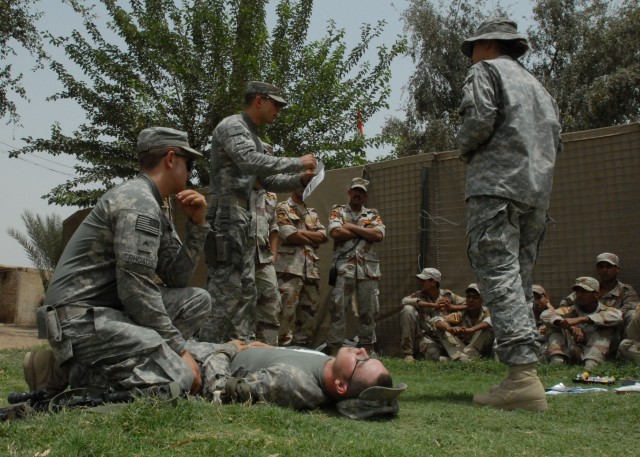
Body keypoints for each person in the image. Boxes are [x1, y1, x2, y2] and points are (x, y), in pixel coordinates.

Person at [41, 127, 211, 395]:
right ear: (170, 158)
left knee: (197, 300)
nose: (190, 172)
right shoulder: (138, 202)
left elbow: (176, 278)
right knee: (178, 377)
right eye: (188, 163)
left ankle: (111, 361)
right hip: (78, 320)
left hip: (107, 311)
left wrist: (197, 227)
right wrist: (180, 350)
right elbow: (136, 290)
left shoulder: (156, 205)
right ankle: (77, 370)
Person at [457, 17, 562, 411]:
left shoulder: (485, 71)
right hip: (536, 192)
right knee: (518, 278)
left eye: (472, 48)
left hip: (495, 187)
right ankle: (521, 373)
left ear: (486, 45)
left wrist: (464, 147)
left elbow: (478, 120)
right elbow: (556, 138)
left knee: (498, 274)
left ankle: (522, 377)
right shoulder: (538, 86)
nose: (470, 56)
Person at [200, 81, 318, 343]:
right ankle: (204, 352)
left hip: (241, 216)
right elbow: (249, 160)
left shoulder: (252, 135)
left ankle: (241, 348)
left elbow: (265, 182)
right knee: (225, 291)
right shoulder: (233, 126)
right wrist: (296, 162)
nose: (279, 110)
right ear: (258, 100)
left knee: (246, 290)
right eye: (276, 104)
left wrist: (301, 179)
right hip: (226, 214)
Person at [185, 341, 406, 419]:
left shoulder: (292, 383)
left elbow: (218, 389)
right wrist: (264, 347)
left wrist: (228, 349)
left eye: (362, 360)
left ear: (341, 385)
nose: (362, 351)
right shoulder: (330, 364)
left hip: (202, 359)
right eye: (367, 355)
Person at [326, 177, 385, 355]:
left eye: (362, 192)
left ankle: (367, 348)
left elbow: (379, 235)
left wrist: (351, 227)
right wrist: (365, 232)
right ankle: (334, 349)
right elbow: (335, 231)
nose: (358, 194)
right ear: (349, 192)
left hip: (368, 270)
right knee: (338, 308)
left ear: (366, 196)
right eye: (355, 190)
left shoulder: (373, 214)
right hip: (344, 267)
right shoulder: (338, 210)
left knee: (369, 310)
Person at [274, 187, 328, 347]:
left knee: (309, 314)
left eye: (306, 187)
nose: (303, 189)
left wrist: (300, 233)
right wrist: (312, 238)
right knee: (285, 313)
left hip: (310, 270)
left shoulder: (312, 213)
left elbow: (324, 236)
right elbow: (288, 234)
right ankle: (280, 351)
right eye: (300, 185)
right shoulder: (281, 207)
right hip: (289, 270)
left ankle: (303, 350)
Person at [541, 277, 623, 370]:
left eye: (584, 292)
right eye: (577, 292)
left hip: (600, 354)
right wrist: (567, 326)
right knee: (555, 325)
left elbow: (618, 316)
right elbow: (545, 314)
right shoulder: (570, 310)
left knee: (605, 329)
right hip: (576, 351)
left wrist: (581, 319)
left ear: (596, 294)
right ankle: (557, 362)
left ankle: (591, 365)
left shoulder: (606, 310)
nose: (579, 295)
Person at [559, 253, 638, 337]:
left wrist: (598, 318)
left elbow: (627, 313)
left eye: (608, 266)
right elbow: (565, 304)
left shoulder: (625, 290)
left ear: (617, 269)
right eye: (601, 267)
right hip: (584, 328)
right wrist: (572, 325)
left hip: (612, 329)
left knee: (632, 314)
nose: (604, 270)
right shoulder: (589, 289)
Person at [399, 268, 466, 363]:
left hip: (444, 338)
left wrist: (451, 306)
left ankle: (448, 358)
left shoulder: (447, 295)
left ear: (433, 282)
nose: (420, 283)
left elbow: (469, 304)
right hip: (425, 339)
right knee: (407, 309)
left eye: (423, 281)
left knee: (435, 354)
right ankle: (408, 354)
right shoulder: (419, 295)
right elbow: (404, 301)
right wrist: (434, 305)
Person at [430, 283, 494, 362]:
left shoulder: (487, 312)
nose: (471, 300)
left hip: (480, 351)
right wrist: (449, 328)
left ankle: (459, 359)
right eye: (468, 297)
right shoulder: (461, 314)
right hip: (463, 349)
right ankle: (463, 359)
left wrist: (471, 329)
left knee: (488, 327)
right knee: (441, 327)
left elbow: (492, 320)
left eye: (475, 297)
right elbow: (436, 320)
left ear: (482, 299)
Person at [252, 185, 282, 345]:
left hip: (264, 259)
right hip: (240, 259)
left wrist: (274, 255)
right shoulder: (237, 187)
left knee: (271, 304)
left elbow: (274, 228)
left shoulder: (271, 196)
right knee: (241, 306)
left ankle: (269, 350)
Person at [532, 284, 554, 358]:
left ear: (547, 298)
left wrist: (550, 308)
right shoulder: (524, 318)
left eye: (539, 297)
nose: (536, 301)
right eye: (532, 298)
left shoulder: (553, 315)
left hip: (546, 353)